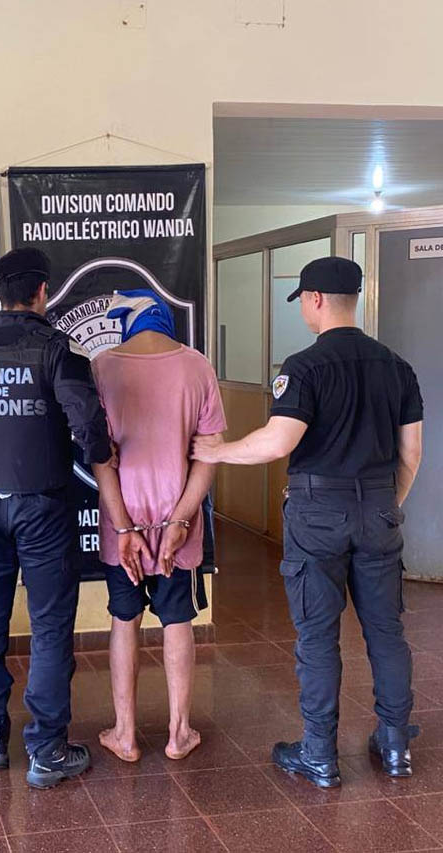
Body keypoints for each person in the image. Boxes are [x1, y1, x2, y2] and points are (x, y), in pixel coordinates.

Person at [193, 257, 423, 788]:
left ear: (315, 300)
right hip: (379, 506)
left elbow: (278, 441)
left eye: (303, 302)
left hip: (318, 512)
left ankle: (319, 753)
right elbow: (411, 453)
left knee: (318, 635)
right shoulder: (397, 367)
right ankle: (394, 746)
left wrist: (218, 451)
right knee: (386, 632)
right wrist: (385, 504)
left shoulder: (304, 366)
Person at [0, 247, 112, 789]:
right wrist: (99, 453)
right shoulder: (56, 351)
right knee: (50, 627)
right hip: (42, 509)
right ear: (41, 292)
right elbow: (89, 424)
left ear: (1, 294)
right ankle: (47, 750)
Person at [91, 290, 226, 762]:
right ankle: (178, 733)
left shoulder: (102, 368)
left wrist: (123, 527)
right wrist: (181, 519)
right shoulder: (198, 367)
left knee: (123, 619)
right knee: (177, 621)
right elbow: (209, 454)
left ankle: (125, 734)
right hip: (177, 525)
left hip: (122, 525)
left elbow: (100, 457)